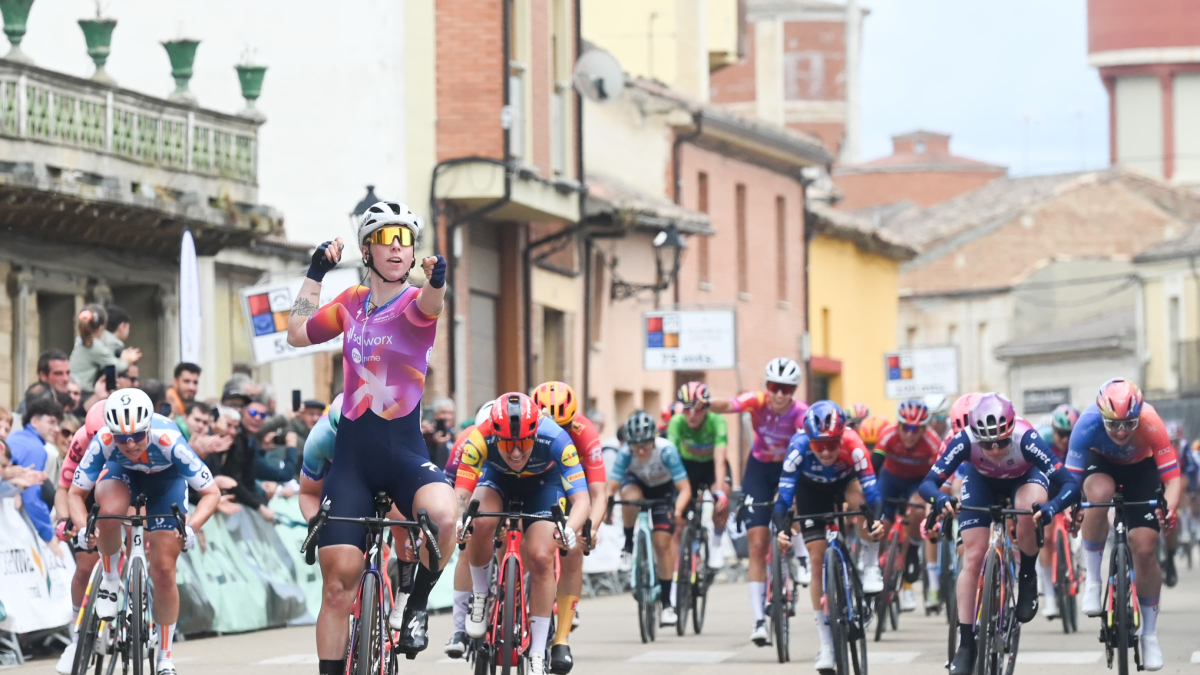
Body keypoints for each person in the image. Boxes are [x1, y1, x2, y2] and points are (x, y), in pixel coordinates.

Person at [286, 200, 454, 669]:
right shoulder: (349, 306)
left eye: (405, 241)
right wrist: (316, 271)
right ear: (367, 249)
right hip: (353, 462)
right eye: (386, 239)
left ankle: (415, 605)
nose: (397, 249)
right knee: (337, 583)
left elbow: (432, 303)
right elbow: (297, 334)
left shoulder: (414, 305)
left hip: (403, 454)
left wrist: (437, 278)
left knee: (443, 515)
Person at [920, 393, 1079, 675]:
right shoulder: (965, 440)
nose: (994, 450)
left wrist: (1052, 507)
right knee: (972, 556)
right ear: (975, 436)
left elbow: (1068, 483)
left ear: (1010, 432)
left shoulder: (1027, 438)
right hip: (981, 482)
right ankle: (966, 643)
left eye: (1002, 442)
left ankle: (1027, 574)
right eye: (987, 444)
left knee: (1026, 508)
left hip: (1024, 480)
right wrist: (940, 500)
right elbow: (929, 483)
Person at [68, 389, 220, 675]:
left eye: (137, 436)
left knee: (163, 570)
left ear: (149, 427)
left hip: (166, 482)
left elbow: (211, 492)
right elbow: (76, 494)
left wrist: (191, 527)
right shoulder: (104, 441)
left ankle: (165, 656)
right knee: (109, 510)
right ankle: (111, 579)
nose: (130, 444)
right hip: (122, 476)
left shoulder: (170, 441)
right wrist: (81, 528)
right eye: (122, 438)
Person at [456, 393, 591, 675]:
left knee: (542, 556)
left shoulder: (556, 439)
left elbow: (582, 500)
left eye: (523, 444)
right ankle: (480, 596)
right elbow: (461, 496)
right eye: (507, 445)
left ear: (535, 433)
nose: (516, 454)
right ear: (495, 434)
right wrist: (459, 520)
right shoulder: (479, 437)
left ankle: (539, 651)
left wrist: (569, 528)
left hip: (544, 485)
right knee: (478, 522)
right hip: (497, 480)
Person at [1068, 379, 1180, 672]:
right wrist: (1070, 508)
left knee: (1144, 548)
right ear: (1102, 416)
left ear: (1138, 416)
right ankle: (1092, 579)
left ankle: (1150, 635)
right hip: (1101, 466)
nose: (1120, 431)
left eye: (1128, 424)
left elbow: (1173, 479)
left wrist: (1168, 508)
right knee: (1099, 494)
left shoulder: (1151, 421)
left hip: (1142, 471)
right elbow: (1069, 481)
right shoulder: (1087, 422)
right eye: (1113, 424)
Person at [773, 401, 883, 670]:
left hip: (846, 485)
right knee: (817, 558)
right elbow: (784, 499)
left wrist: (876, 521)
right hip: (812, 492)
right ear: (808, 439)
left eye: (832, 443)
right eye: (818, 445)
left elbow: (874, 492)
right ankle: (826, 646)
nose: (825, 451)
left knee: (861, 502)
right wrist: (782, 531)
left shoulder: (854, 444)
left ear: (842, 435)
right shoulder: (797, 447)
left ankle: (870, 567)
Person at [707, 356, 809, 644]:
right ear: (767, 386)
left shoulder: (800, 412)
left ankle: (801, 559)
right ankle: (758, 621)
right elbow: (728, 404)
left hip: (789, 467)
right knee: (757, 543)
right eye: (774, 386)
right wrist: (704, 402)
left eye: (786, 389)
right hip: (759, 470)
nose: (779, 394)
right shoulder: (757, 401)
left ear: (794, 391)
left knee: (794, 505)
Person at [529, 382, 606, 674]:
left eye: (564, 426)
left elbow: (598, 493)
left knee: (573, 547)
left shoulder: (585, 431)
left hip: (576, 483)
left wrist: (592, 528)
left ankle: (561, 639)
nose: (557, 431)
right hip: (539, 480)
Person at [605, 410, 690, 629]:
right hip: (638, 485)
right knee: (630, 497)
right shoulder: (625, 453)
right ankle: (629, 544)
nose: (641, 451)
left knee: (662, 544)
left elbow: (684, 489)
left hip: (664, 491)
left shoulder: (666, 451)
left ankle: (667, 603)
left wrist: (678, 510)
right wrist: (606, 508)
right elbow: (611, 487)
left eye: (645, 445)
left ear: (654, 440)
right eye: (635, 446)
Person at [872, 399, 944, 612]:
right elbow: (872, 467)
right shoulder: (888, 435)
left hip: (917, 482)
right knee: (881, 524)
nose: (910, 434)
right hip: (891, 480)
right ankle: (874, 566)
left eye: (917, 429)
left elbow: (939, 476)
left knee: (918, 509)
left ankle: (912, 546)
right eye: (906, 427)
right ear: (898, 425)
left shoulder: (932, 441)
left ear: (924, 428)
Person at [51, 403, 107, 675]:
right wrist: (65, 521)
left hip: (128, 480)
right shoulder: (81, 440)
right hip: (87, 488)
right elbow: (64, 489)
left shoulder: (133, 439)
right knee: (86, 563)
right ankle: (77, 635)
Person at [441, 402, 494, 659]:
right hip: (472, 488)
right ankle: (460, 629)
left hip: (503, 486)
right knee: (466, 551)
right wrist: (457, 521)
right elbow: (449, 485)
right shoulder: (467, 440)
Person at [668, 381, 736, 571]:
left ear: (705, 408)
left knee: (722, 499)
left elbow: (720, 458)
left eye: (697, 410)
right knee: (678, 521)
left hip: (711, 466)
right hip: (687, 467)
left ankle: (716, 543)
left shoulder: (717, 420)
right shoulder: (676, 422)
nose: (691, 414)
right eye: (687, 409)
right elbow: (671, 458)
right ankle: (675, 577)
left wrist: (720, 492)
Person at [1035, 403, 1079, 617]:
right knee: (1046, 536)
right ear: (1052, 430)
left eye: (1070, 434)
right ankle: (1050, 598)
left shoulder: (1080, 442)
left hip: (1071, 487)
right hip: (1049, 489)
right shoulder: (1041, 439)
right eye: (1061, 434)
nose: (1065, 440)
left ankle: (1079, 555)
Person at [7, 396, 63, 542]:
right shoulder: (35, 448)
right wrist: (49, 537)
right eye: (51, 422)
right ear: (34, 421)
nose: (57, 429)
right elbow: (31, 498)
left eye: (58, 424)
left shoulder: (17, 437)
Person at [69, 304, 141, 397]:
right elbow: (113, 367)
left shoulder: (82, 341)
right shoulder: (94, 345)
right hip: (83, 391)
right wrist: (126, 360)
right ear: (101, 327)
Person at [422, 397, 457, 469]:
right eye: (443, 412)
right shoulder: (428, 433)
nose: (448, 417)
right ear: (435, 414)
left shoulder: (453, 433)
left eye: (450, 413)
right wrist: (433, 442)